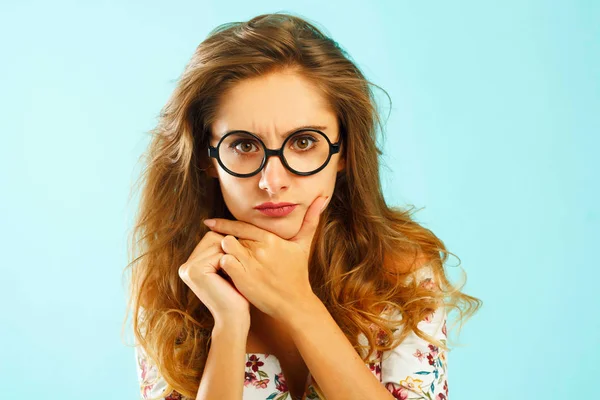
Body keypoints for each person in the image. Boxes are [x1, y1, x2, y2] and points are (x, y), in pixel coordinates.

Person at [124, 11, 482, 400]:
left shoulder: (401, 274)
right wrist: (228, 326)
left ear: (345, 150)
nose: (272, 181)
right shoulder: (174, 285)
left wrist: (297, 303)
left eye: (304, 142)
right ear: (207, 157)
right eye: (244, 145)